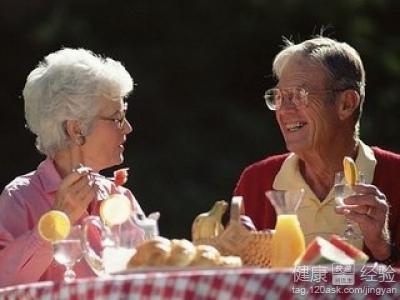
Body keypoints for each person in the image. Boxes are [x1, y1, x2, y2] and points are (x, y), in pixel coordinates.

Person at [234, 36, 400, 266]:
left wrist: (383, 248)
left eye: (300, 95)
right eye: (279, 97)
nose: (284, 109)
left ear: (346, 103)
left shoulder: (396, 177)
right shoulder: (255, 182)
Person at [0, 48, 145, 286]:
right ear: (75, 129)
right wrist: (57, 221)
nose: (127, 128)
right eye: (117, 118)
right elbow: (4, 284)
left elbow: (150, 276)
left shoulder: (120, 195)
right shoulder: (20, 197)